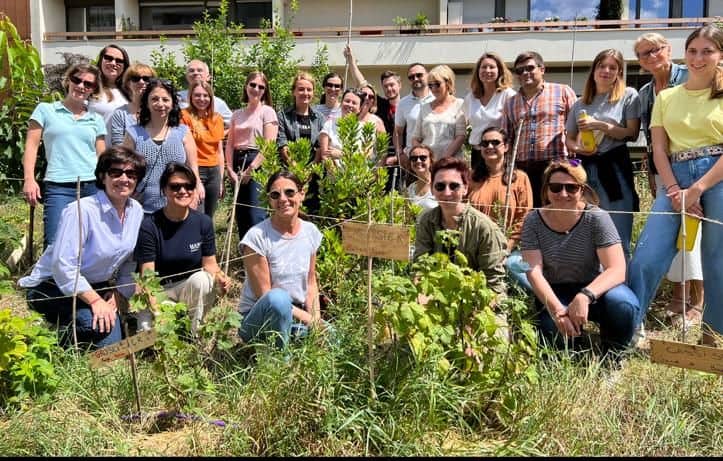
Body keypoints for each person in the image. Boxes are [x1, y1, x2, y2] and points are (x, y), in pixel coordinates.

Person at [629, 26, 723, 348]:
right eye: (693, 50)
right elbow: (658, 148)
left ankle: (713, 339)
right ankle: (629, 327)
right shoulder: (666, 97)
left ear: (720, 56)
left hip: (717, 177)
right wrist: (675, 191)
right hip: (674, 178)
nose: (698, 58)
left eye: (707, 51)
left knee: (717, 259)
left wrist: (697, 189)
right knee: (647, 255)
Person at [18, 146, 146, 348]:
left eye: (131, 174)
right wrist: (96, 302)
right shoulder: (80, 211)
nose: (124, 179)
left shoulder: (136, 211)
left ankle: (84, 352)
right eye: (116, 172)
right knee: (94, 324)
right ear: (103, 177)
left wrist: (119, 294)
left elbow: (129, 263)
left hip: (97, 284)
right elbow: (64, 267)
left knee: (110, 338)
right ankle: (44, 338)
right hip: (54, 286)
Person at [521, 160, 639, 357]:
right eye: (556, 188)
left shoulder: (596, 218)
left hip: (595, 288)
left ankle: (615, 352)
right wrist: (558, 311)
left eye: (571, 188)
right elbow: (534, 272)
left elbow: (617, 269)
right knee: (554, 339)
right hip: (555, 291)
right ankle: (574, 344)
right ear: (546, 190)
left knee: (623, 305)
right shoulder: (533, 220)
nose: (563, 194)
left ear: (582, 190)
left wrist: (585, 295)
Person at [634, 32, 702, 318]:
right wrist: (652, 172)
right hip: (664, 169)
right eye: (644, 54)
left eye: (656, 50)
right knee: (674, 233)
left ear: (669, 49)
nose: (651, 56)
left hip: (700, 166)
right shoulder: (645, 93)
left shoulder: (691, 74)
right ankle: (678, 294)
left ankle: (698, 301)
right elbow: (652, 140)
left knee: (696, 234)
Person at [135, 163, 231, 335]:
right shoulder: (149, 226)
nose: (183, 191)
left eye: (188, 186)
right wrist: (158, 312)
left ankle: (195, 334)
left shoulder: (203, 223)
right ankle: (174, 326)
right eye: (175, 186)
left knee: (203, 279)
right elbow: (147, 279)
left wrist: (220, 279)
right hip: (161, 291)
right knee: (147, 334)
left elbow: (210, 266)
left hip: (189, 288)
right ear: (164, 190)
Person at [565, 49, 641, 259]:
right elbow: (569, 139)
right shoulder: (580, 103)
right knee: (587, 229)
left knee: (618, 232)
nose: (606, 71)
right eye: (602, 66)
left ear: (619, 72)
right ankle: (593, 285)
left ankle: (622, 286)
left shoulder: (628, 96)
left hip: (615, 168)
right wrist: (580, 149)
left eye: (612, 67)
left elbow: (632, 134)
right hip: (586, 169)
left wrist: (600, 125)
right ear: (594, 70)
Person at [22, 63, 106, 249]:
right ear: (68, 81)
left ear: (93, 89)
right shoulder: (45, 110)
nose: (81, 86)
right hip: (58, 186)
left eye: (88, 84)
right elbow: (31, 147)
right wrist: (29, 179)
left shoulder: (96, 119)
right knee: (55, 243)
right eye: (77, 80)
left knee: (88, 244)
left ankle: (85, 279)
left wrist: (107, 186)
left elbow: (102, 157)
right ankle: (50, 279)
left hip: (91, 186)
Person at [238, 171, 323, 348]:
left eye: (289, 192)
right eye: (275, 195)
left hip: (296, 314)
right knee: (278, 298)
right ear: (269, 200)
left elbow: (311, 282)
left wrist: (316, 320)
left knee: (334, 340)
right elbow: (267, 297)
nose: (283, 199)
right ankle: (278, 362)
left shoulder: (311, 232)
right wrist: (309, 320)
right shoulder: (257, 238)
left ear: (302, 194)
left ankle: (294, 340)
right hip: (260, 317)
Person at [413, 156, 507, 296]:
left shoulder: (484, 227)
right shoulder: (426, 221)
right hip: (437, 296)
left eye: (454, 186)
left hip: (479, 299)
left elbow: (494, 284)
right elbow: (420, 266)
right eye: (440, 186)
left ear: (465, 189)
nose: (447, 193)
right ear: (432, 190)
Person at [503, 51, 577, 207]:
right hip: (523, 169)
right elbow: (507, 139)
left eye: (530, 68)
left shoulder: (562, 91)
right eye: (520, 70)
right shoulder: (510, 103)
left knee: (556, 211)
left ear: (542, 69)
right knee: (528, 213)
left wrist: (574, 165)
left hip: (555, 166)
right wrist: (509, 169)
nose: (525, 73)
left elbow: (576, 129)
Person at [124, 79, 203, 214]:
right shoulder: (133, 133)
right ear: (146, 103)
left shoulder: (183, 132)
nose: (160, 104)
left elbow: (193, 167)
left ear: (172, 103)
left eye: (165, 100)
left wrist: (196, 189)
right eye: (154, 99)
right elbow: (125, 169)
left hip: (178, 206)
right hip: (143, 208)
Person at [225, 71, 278, 241]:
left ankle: (259, 257)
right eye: (253, 85)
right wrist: (229, 169)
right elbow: (230, 144)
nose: (256, 89)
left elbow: (269, 145)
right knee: (241, 214)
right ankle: (244, 260)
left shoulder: (267, 112)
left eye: (261, 87)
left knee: (256, 213)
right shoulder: (237, 114)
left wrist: (252, 168)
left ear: (265, 91)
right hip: (237, 163)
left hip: (256, 162)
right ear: (246, 86)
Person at [277, 72, 326, 214]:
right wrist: (296, 169)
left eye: (309, 89)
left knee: (310, 213)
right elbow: (282, 143)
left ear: (313, 92)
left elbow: (319, 148)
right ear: (294, 91)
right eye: (301, 89)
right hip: (288, 173)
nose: (305, 93)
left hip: (312, 176)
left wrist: (308, 173)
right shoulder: (283, 116)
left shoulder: (319, 118)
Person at [463, 52, 516, 171]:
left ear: (500, 71)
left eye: (492, 67)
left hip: (500, 154)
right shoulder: (470, 98)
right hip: (478, 154)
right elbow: (463, 125)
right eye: (483, 67)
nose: (487, 70)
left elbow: (515, 127)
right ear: (478, 71)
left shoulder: (508, 95)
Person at [181, 81, 225, 220]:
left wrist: (221, 178)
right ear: (191, 97)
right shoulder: (184, 116)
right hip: (194, 169)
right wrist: (196, 179)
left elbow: (219, 150)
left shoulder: (216, 118)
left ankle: (207, 242)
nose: (201, 99)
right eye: (197, 95)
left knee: (209, 216)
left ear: (211, 98)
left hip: (214, 171)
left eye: (205, 95)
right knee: (196, 213)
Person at [343, 44, 401, 135]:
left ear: (399, 85)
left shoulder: (407, 105)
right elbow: (362, 83)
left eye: (392, 85)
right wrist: (351, 60)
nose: (389, 88)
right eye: (385, 86)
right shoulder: (380, 104)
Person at [412, 65, 466, 161]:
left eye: (437, 84)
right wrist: (423, 156)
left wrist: (442, 160)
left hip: (450, 163)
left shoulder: (459, 104)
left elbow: (460, 136)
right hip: (428, 164)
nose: (433, 89)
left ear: (448, 83)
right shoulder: (424, 107)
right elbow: (415, 138)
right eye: (430, 85)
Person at [395, 63, 434, 168]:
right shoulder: (403, 103)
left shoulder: (437, 98)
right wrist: (400, 154)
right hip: (413, 159)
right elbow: (398, 132)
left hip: (436, 157)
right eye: (411, 77)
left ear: (428, 75)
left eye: (419, 75)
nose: (415, 79)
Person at [88, 44, 130, 141]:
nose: (113, 63)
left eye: (119, 61)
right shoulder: (89, 88)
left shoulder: (130, 92)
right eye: (108, 58)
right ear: (101, 60)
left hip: (123, 154)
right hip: (94, 153)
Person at [109, 62, 156, 146]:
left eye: (146, 79)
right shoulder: (120, 113)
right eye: (135, 78)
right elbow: (118, 146)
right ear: (128, 83)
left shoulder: (160, 110)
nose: (141, 82)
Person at [178, 59, 233, 128]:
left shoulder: (218, 103)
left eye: (199, 70)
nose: (195, 73)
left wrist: (220, 135)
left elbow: (233, 124)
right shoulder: (176, 97)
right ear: (186, 76)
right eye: (191, 71)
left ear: (208, 76)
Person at [317, 88, 367, 162]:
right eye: (347, 101)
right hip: (333, 172)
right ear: (341, 103)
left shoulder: (365, 129)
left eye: (354, 103)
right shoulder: (329, 125)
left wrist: (342, 155)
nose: (350, 105)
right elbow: (325, 156)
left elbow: (365, 157)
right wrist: (336, 173)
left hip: (358, 173)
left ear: (360, 108)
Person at [405, 144, 437, 211]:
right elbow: (408, 216)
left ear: (431, 161)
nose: (418, 161)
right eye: (414, 158)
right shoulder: (410, 189)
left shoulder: (439, 185)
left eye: (423, 158)